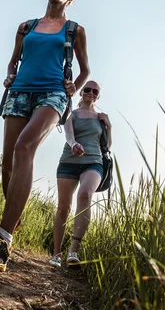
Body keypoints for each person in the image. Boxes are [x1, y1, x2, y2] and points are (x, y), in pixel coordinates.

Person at [0, 0, 91, 273]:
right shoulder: (26, 27)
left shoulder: (75, 30)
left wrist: (76, 85)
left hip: (53, 94)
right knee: (7, 165)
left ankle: (1, 243)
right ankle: (13, 219)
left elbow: (85, 69)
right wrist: (9, 74)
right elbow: (14, 60)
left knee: (24, 148)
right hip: (19, 92)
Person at [48, 81, 111, 268]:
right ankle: (56, 254)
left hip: (94, 162)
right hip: (69, 161)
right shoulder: (71, 114)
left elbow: (107, 146)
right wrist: (73, 144)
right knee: (63, 208)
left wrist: (109, 126)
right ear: (81, 92)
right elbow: (68, 134)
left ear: (98, 96)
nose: (90, 93)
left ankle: (73, 251)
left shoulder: (101, 118)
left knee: (85, 195)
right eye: (87, 90)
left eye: (95, 91)